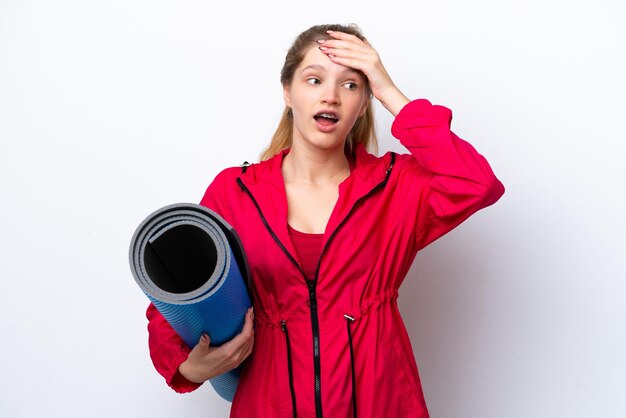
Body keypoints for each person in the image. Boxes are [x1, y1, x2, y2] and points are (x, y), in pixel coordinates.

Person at [146, 23, 505, 418]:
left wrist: (388, 90)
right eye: (314, 79)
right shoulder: (235, 190)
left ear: (365, 101)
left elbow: (477, 183)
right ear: (288, 92)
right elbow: (175, 295)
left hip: (382, 402)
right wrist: (187, 367)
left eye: (351, 85)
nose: (331, 96)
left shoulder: (396, 186)